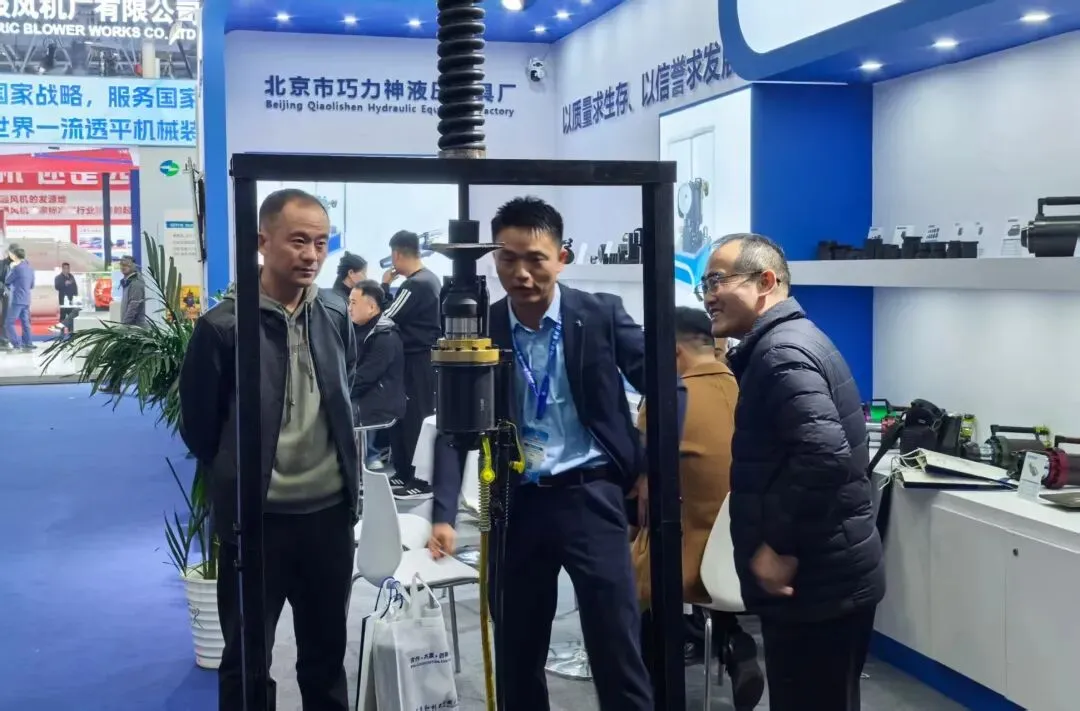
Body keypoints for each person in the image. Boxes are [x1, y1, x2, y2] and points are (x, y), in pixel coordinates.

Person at [429, 196, 653, 711]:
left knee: (616, 644)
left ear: (562, 258)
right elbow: (453, 425)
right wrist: (443, 513)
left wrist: (653, 469)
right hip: (514, 503)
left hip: (591, 496)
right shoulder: (480, 327)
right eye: (508, 259)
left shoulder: (599, 315)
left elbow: (668, 387)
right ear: (493, 258)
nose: (522, 273)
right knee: (516, 649)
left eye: (536, 259)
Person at [178, 188, 358, 711]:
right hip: (256, 523)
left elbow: (344, 394)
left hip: (328, 518)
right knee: (247, 662)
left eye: (321, 243)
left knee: (326, 658)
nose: (311, 255)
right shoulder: (223, 327)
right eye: (298, 241)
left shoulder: (334, 312)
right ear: (262, 242)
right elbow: (201, 428)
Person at [702, 233, 884, 711]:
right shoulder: (788, 342)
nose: (709, 295)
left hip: (818, 583)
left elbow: (823, 455)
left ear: (766, 282)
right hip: (824, 579)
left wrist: (778, 545)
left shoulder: (780, 353)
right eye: (706, 284)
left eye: (718, 280)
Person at [631, 306, 764, 711]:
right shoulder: (748, 390)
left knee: (621, 563)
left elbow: (638, 491)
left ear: (673, 352)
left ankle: (649, 685)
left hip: (688, 560)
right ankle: (730, 641)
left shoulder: (666, 403)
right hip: (750, 557)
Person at [380, 229, 441, 499]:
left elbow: (386, 317)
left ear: (396, 254)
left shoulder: (415, 284)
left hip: (417, 360)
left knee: (415, 418)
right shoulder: (430, 279)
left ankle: (420, 479)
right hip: (419, 359)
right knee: (405, 417)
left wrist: (383, 287)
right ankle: (404, 471)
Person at [348, 279, 406, 468]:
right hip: (364, 396)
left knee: (330, 411)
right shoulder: (359, 330)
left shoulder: (385, 336)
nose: (349, 308)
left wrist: (336, 394)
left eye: (353, 303)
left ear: (371, 307)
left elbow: (365, 377)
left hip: (380, 403)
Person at [3, 243, 34, 351]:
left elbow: (7, 280)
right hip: (26, 299)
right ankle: (28, 343)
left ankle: (16, 343)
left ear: (15, 256)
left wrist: (11, 269)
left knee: (8, 323)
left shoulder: (16, 268)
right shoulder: (30, 269)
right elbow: (32, 285)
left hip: (17, 299)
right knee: (25, 323)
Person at [117, 256, 147, 327]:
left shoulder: (136, 282)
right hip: (130, 326)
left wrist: (124, 326)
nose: (123, 267)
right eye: (121, 264)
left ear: (133, 266)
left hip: (135, 328)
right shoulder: (127, 281)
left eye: (126, 264)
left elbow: (133, 307)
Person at [0, 248, 12, 350]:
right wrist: (4, 288)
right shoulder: (2, 264)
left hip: (7, 294)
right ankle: (3, 340)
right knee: (3, 317)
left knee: (5, 318)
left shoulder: (12, 266)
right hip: (2, 293)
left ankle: (4, 340)